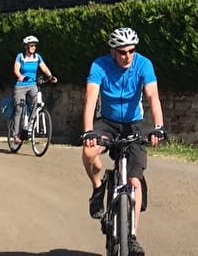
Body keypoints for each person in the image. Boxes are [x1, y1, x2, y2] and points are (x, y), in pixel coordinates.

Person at [82, 27, 165, 256]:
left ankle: (132, 236)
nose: (127, 56)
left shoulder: (143, 65)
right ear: (112, 52)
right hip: (107, 122)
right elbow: (91, 99)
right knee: (89, 154)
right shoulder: (99, 66)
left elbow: (153, 97)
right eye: (121, 52)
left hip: (134, 124)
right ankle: (98, 188)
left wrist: (158, 127)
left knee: (134, 182)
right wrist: (88, 131)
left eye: (131, 51)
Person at [11, 35, 56, 140]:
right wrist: (20, 77)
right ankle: (16, 134)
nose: (34, 47)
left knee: (38, 103)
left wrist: (50, 76)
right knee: (19, 109)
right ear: (26, 46)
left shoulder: (37, 57)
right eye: (32, 45)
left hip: (32, 85)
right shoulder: (20, 56)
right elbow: (16, 69)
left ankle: (28, 128)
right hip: (21, 85)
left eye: (35, 46)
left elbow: (44, 67)